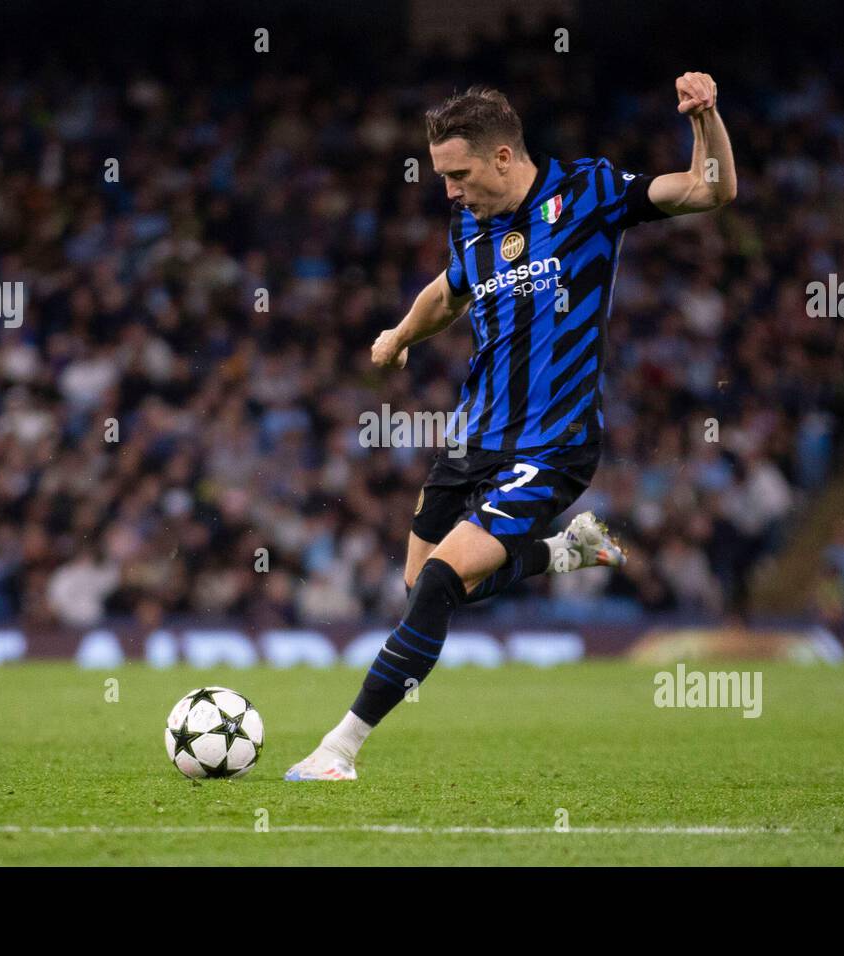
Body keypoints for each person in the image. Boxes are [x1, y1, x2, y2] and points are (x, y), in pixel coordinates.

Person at [286, 74, 736, 780]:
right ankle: (563, 555)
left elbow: (708, 190)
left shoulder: (588, 192)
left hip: (552, 443)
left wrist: (705, 120)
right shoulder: (469, 222)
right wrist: (401, 335)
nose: (450, 191)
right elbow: (449, 290)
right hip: (474, 438)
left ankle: (339, 749)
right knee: (424, 589)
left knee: (439, 581)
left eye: (458, 174)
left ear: (503, 157)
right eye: (441, 177)